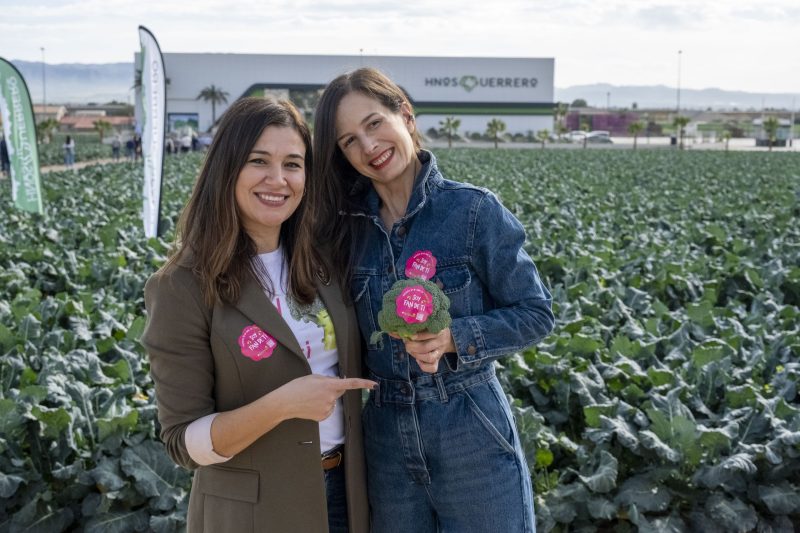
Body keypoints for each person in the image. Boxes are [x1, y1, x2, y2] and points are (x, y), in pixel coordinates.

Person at [312, 68, 555, 533]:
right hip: (383, 438)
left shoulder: (473, 211)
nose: (368, 147)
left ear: (405, 113)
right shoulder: (344, 232)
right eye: (348, 141)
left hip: (469, 427)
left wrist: (455, 337)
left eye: (374, 123)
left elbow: (536, 313)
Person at [141, 97, 375, 533]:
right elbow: (184, 443)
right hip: (254, 513)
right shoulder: (182, 285)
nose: (277, 179)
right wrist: (282, 406)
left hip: (346, 495)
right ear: (226, 168)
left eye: (293, 163)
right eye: (258, 161)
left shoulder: (324, 261)